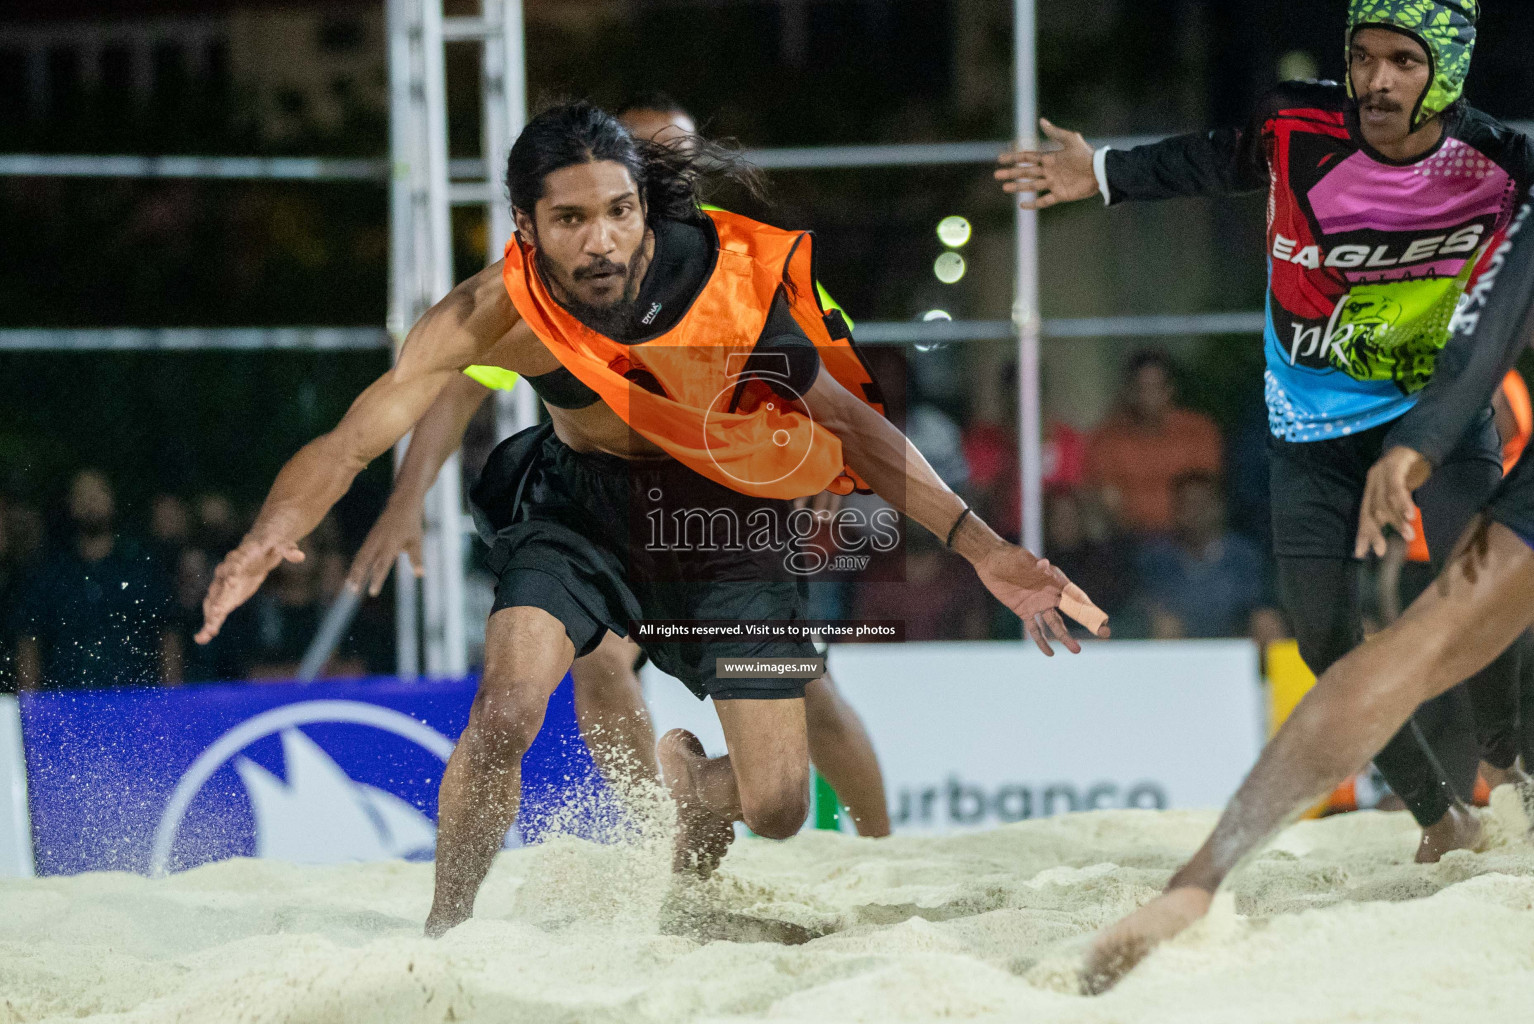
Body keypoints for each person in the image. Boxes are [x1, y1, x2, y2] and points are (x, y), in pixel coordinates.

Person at [196, 101, 1108, 936]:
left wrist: (984, 547)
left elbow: (854, 425)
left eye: (620, 211)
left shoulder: (724, 290)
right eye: (570, 220)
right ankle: (444, 934)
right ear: (525, 227)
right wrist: (268, 531)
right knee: (507, 711)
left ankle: (702, 794)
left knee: (782, 804)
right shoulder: (495, 310)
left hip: (726, 521)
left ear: (644, 205)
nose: (601, 243)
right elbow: (355, 435)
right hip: (579, 513)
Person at [997, 0, 1534, 861]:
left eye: (1403, 60)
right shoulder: (1300, 124)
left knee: (1488, 603)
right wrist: (1101, 172)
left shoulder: (1502, 164)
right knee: (1321, 634)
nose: (1377, 80)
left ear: (1448, 71)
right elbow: (1213, 160)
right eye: (1363, 57)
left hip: (1434, 418)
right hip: (1310, 427)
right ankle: (1442, 816)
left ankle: (1509, 766)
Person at [346, 94, 895, 839]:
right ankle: (658, 831)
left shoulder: (736, 268)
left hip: (723, 524)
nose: (675, 174)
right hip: (606, 518)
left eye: (681, 159)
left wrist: (835, 471)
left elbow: (837, 388)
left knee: (812, 700)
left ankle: (878, 848)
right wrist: (404, 499)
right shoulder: (561, 283)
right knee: (599, 665)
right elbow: (457, 389)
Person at [1082, 185, 1534, 996]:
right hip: (1415, 494)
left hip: (1441, 484)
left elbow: (1483, 363)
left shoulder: (1488, 200)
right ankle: (1462, 802)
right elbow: (1481, 353)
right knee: (1421, 645)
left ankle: (1497, 778)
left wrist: (1416, 454)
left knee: (1447, 644)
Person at [13, 469, 181, 690]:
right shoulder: (49, 572)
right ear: (70, 505)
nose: (90, 502)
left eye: (97, 493)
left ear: (112, 499)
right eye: (82, 495)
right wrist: (29, 706)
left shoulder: (142, 566)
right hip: (67, 705)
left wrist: (173, 698)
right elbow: (29, 640)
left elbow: (167, 633)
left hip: (137, 701)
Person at [1084, 350, 1222, 535]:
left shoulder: (1197, 432)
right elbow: (1110, 505)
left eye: (1156, 388)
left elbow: (1206, 497)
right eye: (1142, 388)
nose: (1149, 396)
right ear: (1130, 391)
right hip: (1133, 540)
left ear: (1169, 389)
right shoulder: (1108, 439)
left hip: (1190, 539)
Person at [1137, 472, 1283, 642]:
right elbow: (1151, 608)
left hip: (1237, 641)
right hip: (1182, 647)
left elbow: (1260, 604)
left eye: (1202, 505)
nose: (1195, 513)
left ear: (1219, 507)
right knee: (1165, 627)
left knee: (1267, 622)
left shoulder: (1244, 555)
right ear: (1176, 511)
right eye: (1188, 505)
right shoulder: (1159, 558)